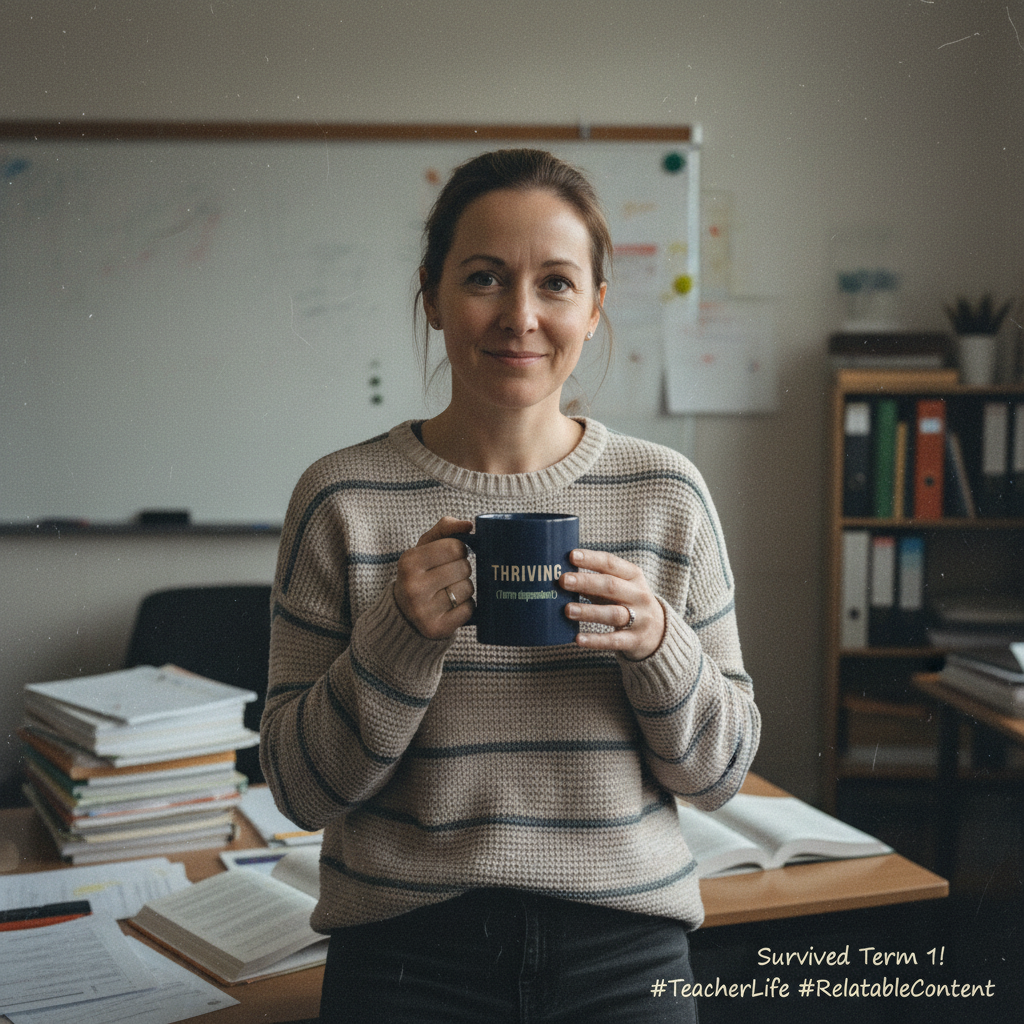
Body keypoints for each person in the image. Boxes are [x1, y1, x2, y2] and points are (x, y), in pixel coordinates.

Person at [260, 148, 760, 1023]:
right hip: (405, 957)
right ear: (432, 294)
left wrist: (659, 647)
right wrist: (396, 640)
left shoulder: (666, 493)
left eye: (557, 284)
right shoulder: (341, 498)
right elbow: (300, 791)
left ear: (597, 307)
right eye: (485, 278)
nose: (520, 317)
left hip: (625, 956)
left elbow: (720, 775)